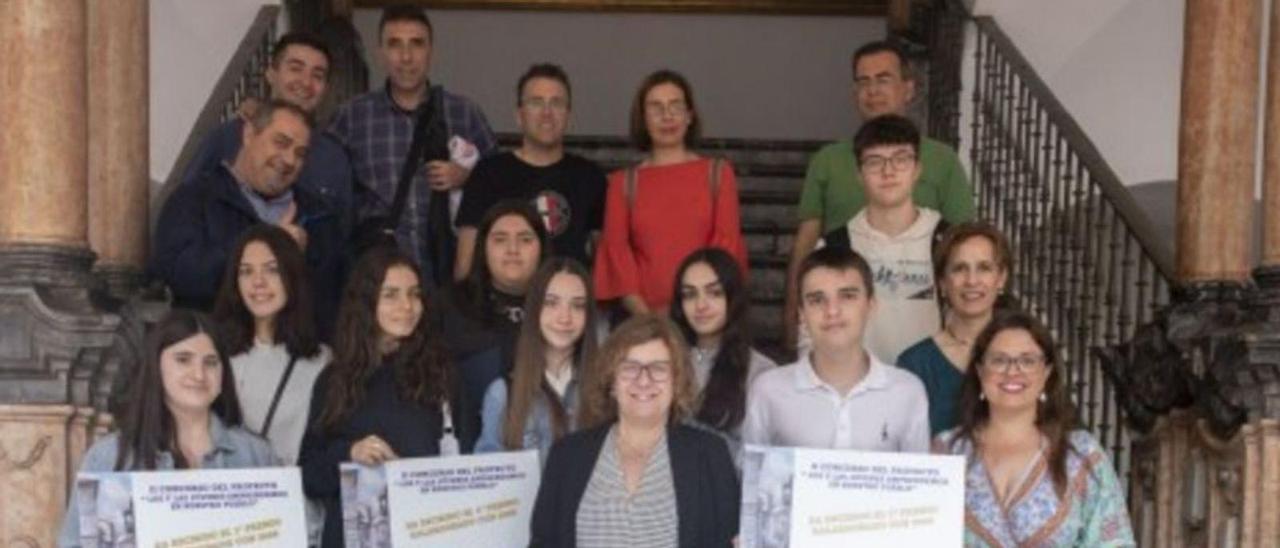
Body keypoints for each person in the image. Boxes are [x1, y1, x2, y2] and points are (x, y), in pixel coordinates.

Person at [784, 40, 974, 352]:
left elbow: (965, 245)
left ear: (909, 88)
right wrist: (794, 311)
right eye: (864, 82)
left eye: (883, 79)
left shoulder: (943, 160)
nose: (873, 90)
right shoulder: (827, 160)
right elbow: (806, 244)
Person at [298, 246, 471, 548]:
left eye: (414, 294)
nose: (407, 305)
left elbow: (467, 470)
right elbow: (309, 475)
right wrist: (349, 453)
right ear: (366, 302)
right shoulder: (334, 379)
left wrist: (407, 476)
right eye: (390, 294)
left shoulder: (443, 375)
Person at [59, 310, 278, 545]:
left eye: (211, 362)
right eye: (183, 359)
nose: (199, 374)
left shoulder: (256, 454)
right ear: (156, 367)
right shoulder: (109, 456)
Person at [530, 315, 740, 547]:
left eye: (658, 369)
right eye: (630, 368)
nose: (643, 381)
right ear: (612, 380)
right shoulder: (567, 456)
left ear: (677, 381)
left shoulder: (711, 455)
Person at [150, 100, 347, 338]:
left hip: (295, 361)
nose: (289, 160)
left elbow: (333, 304)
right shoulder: (195, 199)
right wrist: (265, 245)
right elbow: (182, 276)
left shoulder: (319, 216)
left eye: (300, 153)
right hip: (215, 357)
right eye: (281, 143)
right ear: (249, 134)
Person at [937, 311, 1135, 546]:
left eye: (1028, 360)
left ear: (1047, 372)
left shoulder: (1081, 454)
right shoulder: (947, 451)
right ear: (980, 371)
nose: (1012, 371)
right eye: (999, 360)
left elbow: (1114, 542)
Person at [329, 6, 497, 284]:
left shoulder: (464, 113)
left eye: (416, 44)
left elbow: (501, 185)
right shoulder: (352, 116)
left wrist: (466, 177)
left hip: (452, 278)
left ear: (431, 50)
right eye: (395, 44)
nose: (406, 57)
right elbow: (321, 177)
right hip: (379, 276)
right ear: (380, 52)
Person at [742, 246, 930, 452]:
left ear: (870, 305)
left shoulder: (908, 391)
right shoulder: (768, 390)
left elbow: (917, 481)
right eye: (817, 300)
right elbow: (752, 478)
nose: (832, 311)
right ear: (802, 314)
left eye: (847, 296)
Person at [593, 69, 748, 316]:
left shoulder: (718, 173)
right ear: (643, 119)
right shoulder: (623, 183)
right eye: (656, 108)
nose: (667, 116)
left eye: (676, 106)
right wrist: (650, 319)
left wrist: (692, 310)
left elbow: (725, 247)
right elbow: (617, 254)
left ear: (689, 116)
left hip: (706, 314)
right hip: (644, 320)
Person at [180, 31, 355, 232]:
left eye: (317, 75)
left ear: (326, 88)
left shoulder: (333, 158)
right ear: (271, 74)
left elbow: (343, 236)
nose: (306, 83)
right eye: (295, 69)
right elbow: (188, 211)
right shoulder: (227, 138)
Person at [455, 63, 607, 276]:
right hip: (502, 304)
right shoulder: (488, 173)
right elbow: (466, 262)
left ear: (568, 116)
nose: (547, 113)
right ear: (519, 115)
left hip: (568, 303)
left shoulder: (590, 177)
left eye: (556, 103)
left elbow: (605, 262)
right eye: (536, 103)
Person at [819, 114, 947, 364]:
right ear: (859, 174)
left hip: (930, 388)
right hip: (860, 389)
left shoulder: (946, 240)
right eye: (875, 162)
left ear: (917, 169)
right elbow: (813, 328)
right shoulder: (836, 246)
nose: (888, 171)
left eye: (901, 159)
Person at [212, 225, 329, 463]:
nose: (258, 282)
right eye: (246, 271)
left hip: (292, 494)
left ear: (292, 276)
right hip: (228, 493)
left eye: (272, 270)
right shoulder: (213, 354)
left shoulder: (322, 360)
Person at [435, 200, 549, 436]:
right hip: (471, 449)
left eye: (525, 239)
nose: (513, 249)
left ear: (542, 247)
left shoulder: (563, 306)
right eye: (500, 239)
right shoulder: (450, 304)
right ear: (482, 248)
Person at [475, 258, 599, 460]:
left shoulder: (608, 390)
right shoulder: (502, 395)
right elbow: (490, 484)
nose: (564, 317)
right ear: (534, 310)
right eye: (551, 303)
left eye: (577, 306)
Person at [899, 222, 1011, 435]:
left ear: (1001, 278)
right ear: (942, 283)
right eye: (959, 269)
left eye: (984, 268)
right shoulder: (914, 364)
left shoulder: (1027, 356)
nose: (972, 280)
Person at [669, 248, 775, 439]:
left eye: (714, 293)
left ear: (733, 298)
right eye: (690, 294)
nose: (701, 305)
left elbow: (757, 456)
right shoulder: (664, 361)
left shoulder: (760, 372)